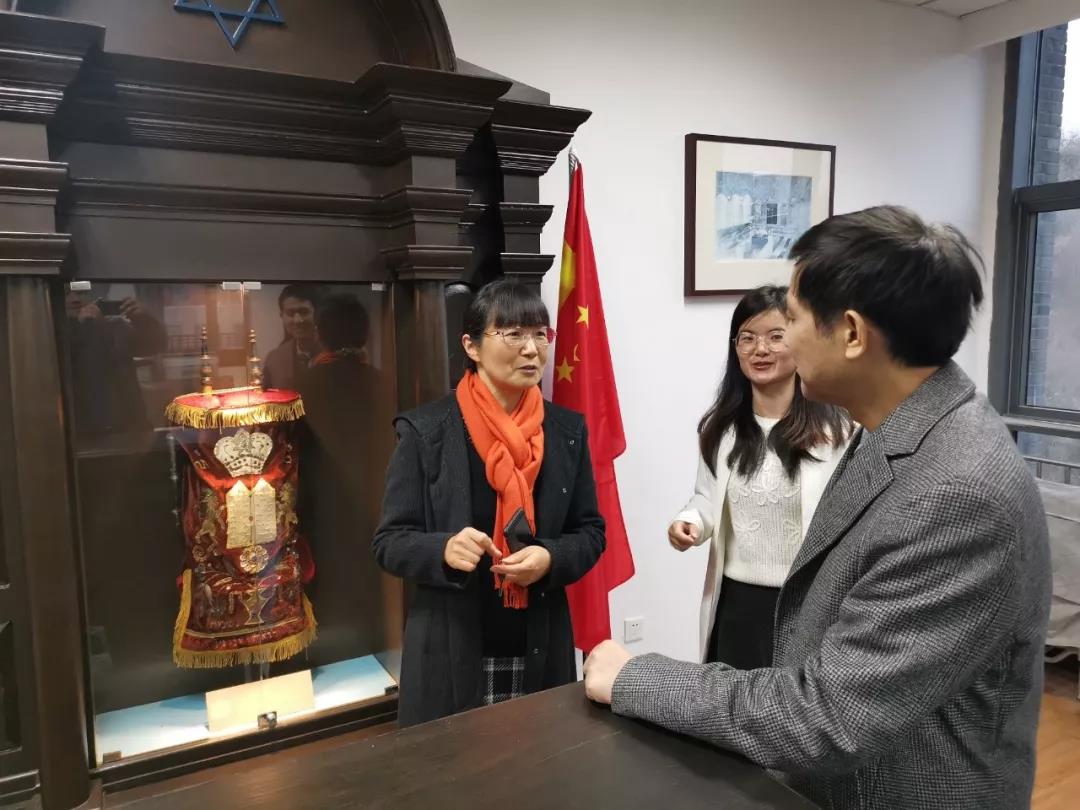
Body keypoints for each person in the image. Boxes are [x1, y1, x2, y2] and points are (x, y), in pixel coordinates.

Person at [584, 206, 1051, 810]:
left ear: (852, 334)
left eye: (794, 319)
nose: (779, 342)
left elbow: (828, 716)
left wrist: (636, 677)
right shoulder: (895, 428)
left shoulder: (957, 494)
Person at [373, 278, 605, 727]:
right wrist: (442, 548)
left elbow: (591, 532)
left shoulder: (565, 431)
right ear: (472, 346)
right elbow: (389, 541)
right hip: (450, 649)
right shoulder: (426, 431)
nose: (532, 349)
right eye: (513, 334)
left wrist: (550, 557)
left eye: (540, 334)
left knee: (541, 766)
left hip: (540, 643)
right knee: (451, 770)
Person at [669, 285, 850, 668]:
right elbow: (706, 498)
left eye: (775, 337)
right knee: (727, 701)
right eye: (747, 338)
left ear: (799, 340)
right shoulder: (720, 429)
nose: (760, 350)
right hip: (737, 605)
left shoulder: (837, 432)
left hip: (805, 603)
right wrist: (690, 522)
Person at [262, 284, 319, 391]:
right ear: (282, 316)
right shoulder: (274, 359)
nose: (298, 320)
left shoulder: (334, 352)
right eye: (290, 313)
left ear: (316, 313)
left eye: (304, 312)